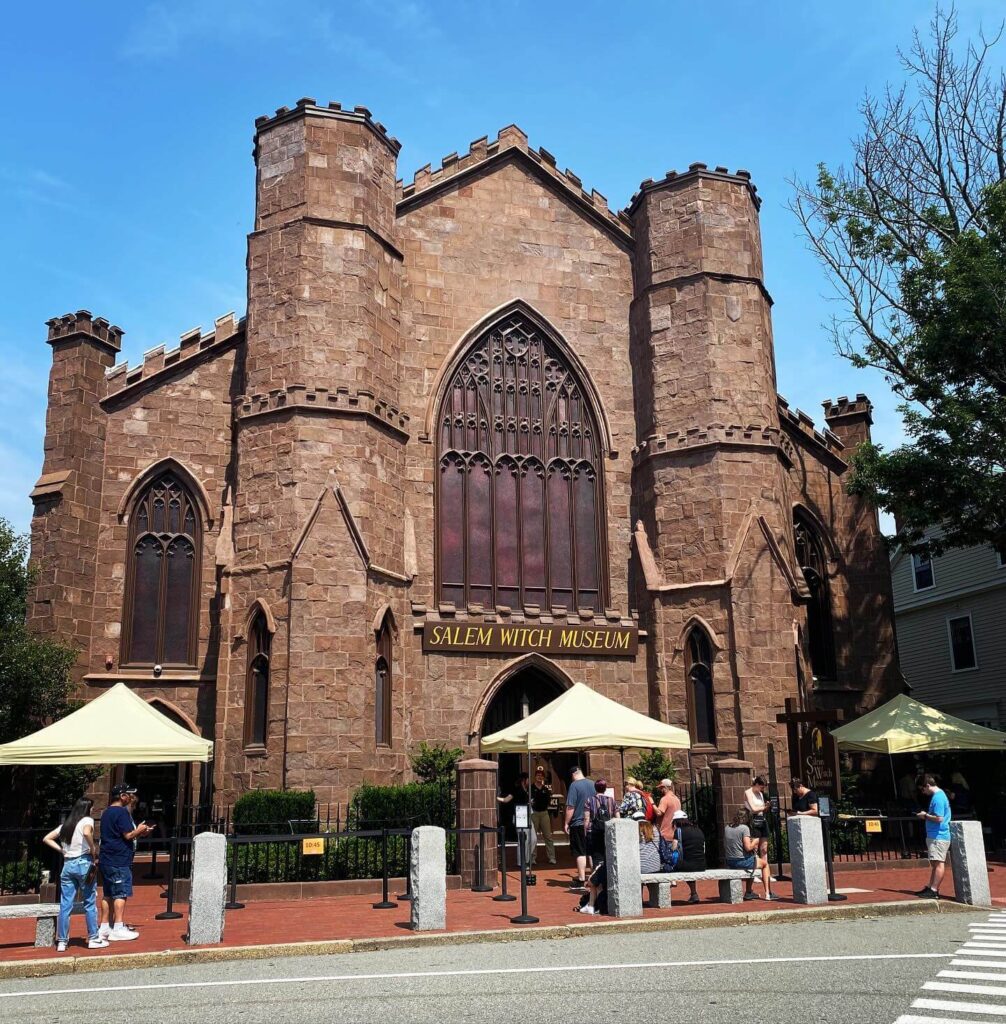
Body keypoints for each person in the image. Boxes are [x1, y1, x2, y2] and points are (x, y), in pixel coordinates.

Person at [43, 798, 108, 952]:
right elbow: (86, 832)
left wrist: (62, 850)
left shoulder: (65, 825)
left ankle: (62, 941)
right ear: (87, 808)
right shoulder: (87, 820)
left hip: (68, 864)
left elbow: (46, 838)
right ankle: (93, 937)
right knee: (89, 902)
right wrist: (92, 848)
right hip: (83, 862)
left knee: (65, 904)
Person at [98, 783, 155, 941]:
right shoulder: (121, 812)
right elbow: (128, 835)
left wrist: (140, 833)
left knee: (108, 893)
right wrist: (141, 829)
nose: (131, 798)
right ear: (122, 796)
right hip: (119, 858)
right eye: (128, 794)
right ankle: (118, 926)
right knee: (121, 893)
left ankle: (104, 926)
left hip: (107, 858)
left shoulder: (106, 812)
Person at [578, 814, 659, 916]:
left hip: (638, 866)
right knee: (599, 875)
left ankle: (592, 904)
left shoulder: (633, 830)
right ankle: (592, 903)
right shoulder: (655, 830)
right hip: (655, 866)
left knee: (598, 876)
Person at [724, 807, 777, 901]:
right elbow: (748, 847)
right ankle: (768, 893)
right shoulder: (744, 828)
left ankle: (749, 892)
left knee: (754, 859)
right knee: (764, 864)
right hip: (741, 861)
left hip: (730, 861)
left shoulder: (727, 827)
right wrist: (755, 841)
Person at [915, 774, 952, 899]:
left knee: (938, 863)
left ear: (927, 785)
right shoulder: (939, 796)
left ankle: (934, 890)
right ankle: (931, 887)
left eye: (922, 789)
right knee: (936, 863)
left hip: (938, 835)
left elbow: (939, 818)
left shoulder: (938, 798)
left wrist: (925, 815)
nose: (923, 792)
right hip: (936, 834)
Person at [497, 772, 536, 878]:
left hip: (528, 814)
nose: (529, 781)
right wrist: (497, 798)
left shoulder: (527, 790)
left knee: (533, 839)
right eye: (528, 779)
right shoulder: (516, 789)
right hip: (520, 815)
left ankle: (527, 859)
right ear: (524, 779)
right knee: (523, 840)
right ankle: (522, 862)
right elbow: (506, 799)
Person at [564, 766, 596, 890]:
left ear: (573, 775)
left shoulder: (574, 785)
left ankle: (581, 878)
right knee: (591, 851)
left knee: (580, 851)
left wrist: (566, 822)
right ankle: (594, 877)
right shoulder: (593, 784)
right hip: (592, 823)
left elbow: (570, 807)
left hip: (578, 822)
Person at [669, 809, 706, 904]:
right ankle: (694, 893)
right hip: (702, 864)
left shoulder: (679, 831)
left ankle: (665, 894)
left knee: (667, 867)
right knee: (689, 862)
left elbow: (673, 848)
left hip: (688, 865)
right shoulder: (698, 830)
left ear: (676, 821)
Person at [584, 779, 617, 869]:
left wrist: (585, 831)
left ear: (595, 788)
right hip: (608, 830)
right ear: (605, 788)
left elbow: (586, 818)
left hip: (593, 830)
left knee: (593, 853)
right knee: (607, 852)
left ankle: (594, 873)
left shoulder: (590, 800)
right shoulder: (611, 800)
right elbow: (617, 817)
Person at [529, 766, 556, 866]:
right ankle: (532, 858)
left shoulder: (546, 789)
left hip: (544, 813)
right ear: (535, 777)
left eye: (541, 776)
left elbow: (549, 801)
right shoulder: (531, 788)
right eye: (538, 775)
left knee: (548, 836)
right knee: (533, 837)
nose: (539, 777)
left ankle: (552, 857)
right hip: (534, 814)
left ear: (543, 778)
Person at [744, 776, 770, 866]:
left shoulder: (761, 794)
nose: (762, 789)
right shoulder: (748, 792)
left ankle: (765, 869)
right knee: (754, 846)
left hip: (762, 819)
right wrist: (764, 807)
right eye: (761, 787)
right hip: (753, 820)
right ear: (757, 784)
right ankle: (755, 870)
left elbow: (762, 809)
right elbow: (753, 809)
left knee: (764, 848)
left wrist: (766, 807)